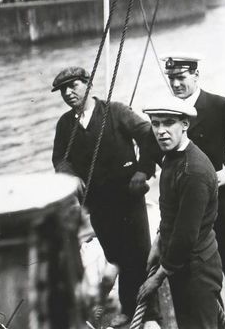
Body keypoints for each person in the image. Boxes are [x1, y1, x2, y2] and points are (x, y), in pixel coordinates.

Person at [145, 55, 225, 329]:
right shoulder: (169, 114)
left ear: (196, 75)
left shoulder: (218, 105)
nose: (176, 84)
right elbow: (158, 151)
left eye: (182, 78)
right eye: (172, 79)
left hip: (221, 205)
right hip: (189, 209)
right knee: (202, 280)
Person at [51, 67, 160, 328]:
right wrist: (70, 175)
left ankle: (152, 315)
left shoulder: (116, 111)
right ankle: (129, 308)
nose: (69, 93)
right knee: (116, 256)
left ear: (88, 85)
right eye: (63, 90)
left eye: (74, 86)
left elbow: (149, 136)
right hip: (97, 202)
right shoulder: (65, 124)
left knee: (140, 254)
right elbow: (60, 158)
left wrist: (143, 170)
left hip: (128, 198)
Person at [137, 95, 225, 328]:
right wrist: (158, 242)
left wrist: (158, 277)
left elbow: (186, 234)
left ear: (185, 124)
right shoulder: (172, 157)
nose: (161, 131)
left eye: (168, 123)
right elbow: (171, 213)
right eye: (155, 124)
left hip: (197, 269)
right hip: (181, 265)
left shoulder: (192, 172)